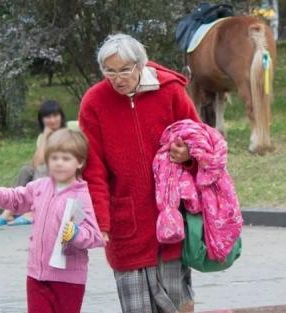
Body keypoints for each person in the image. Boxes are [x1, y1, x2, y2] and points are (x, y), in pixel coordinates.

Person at [78, 33, 201, 313]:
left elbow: (201, 141)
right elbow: (93, 169)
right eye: (109, 71)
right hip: (126, 221)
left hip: (171, 217)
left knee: (178, 302)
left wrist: (188, 156)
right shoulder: (94, 102)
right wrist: (101, 222)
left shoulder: (170, 92)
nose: (117, 78)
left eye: (124, 70)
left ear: (140, 65)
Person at [0, 128, 105, 313]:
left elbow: (94, 235)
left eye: (66, 158)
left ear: (80, 162)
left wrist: (76, 234)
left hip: (68, 279)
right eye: (54, 158)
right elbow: (17, 198)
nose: (59, 163)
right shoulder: (40, 186)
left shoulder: (82, 196)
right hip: (36, 275)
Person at [0, 100, 67, 226]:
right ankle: (9, 211)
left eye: (55, 115)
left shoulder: (70, 132)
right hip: (48, 173)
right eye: (48, 117)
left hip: (67, 172)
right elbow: (35, 163)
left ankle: (33, 212)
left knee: (43, 167)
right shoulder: (43, 136)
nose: (52, 120)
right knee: (26, 169)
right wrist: (45, 137)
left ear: (61, 117)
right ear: (42, 120)